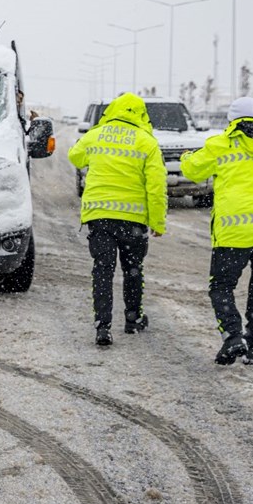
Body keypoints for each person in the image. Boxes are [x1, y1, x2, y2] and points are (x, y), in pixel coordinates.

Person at [180, 97, 253, 365]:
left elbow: (192, 169)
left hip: (235, 230)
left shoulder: (220, 143)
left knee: (221, 286)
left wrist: (188, 156)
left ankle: (233, 338)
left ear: (232, 119)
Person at [67, 93, 167, 346]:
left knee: (103, 270)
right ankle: (133, 320)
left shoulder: (96, 135)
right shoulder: (147, 142)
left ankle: (103, 326)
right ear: (142, 115)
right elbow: (156, 186)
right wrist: (157, 221)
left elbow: (75, 157)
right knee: (132, 269)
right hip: (133, 220)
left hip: (100, 217)